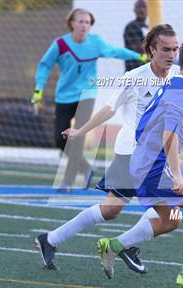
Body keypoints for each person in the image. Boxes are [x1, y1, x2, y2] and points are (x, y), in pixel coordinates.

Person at [34, 24, 183, 272]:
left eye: (175, 49)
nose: (171, 54)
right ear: (152, 50)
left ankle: (67, 240)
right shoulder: (134, 78)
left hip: (155, 157)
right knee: (122, 210)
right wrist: (80, 130)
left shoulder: (179, 76)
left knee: (168, 215)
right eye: (165, 49)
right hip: (132, 153)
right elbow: (109, 109)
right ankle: (112, 244)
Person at [98, 40, 183, 288]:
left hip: (143, 164)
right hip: (154, 167)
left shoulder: (174, 84)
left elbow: (152, 125)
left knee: (170, 220)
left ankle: (114, 245)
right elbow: (170, 135)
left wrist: (169, 156)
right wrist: (175, 173)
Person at [31, 8, 147, 191]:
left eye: (88, 22)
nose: (85, 25)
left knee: (77, 137)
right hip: (64, 96)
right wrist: (38, 90)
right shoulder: (60, 44)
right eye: (81, 21)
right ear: (72, 23)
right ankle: (86, 168)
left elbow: (116, 52)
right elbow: (45, 66)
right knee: (59, 139)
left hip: (87, 94)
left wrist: (139, 56)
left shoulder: (96, 43)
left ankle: (67, 182)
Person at [124, 0, 148, 71]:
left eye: (144, 6)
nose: (141, 9)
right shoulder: (131, 26)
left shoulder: (148, 27)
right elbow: (137, 48)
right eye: (138, 7)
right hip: (133, 69)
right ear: (134, 10)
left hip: (145, 70)